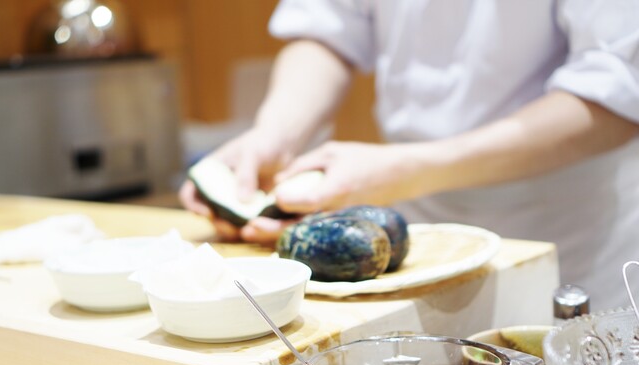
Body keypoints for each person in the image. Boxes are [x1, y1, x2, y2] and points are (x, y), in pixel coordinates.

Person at [180, 0, 639, 311]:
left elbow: (617, 91)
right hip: (417, 244)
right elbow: (326, 27)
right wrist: (275, 133)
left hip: (570, 242)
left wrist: (409, 169)